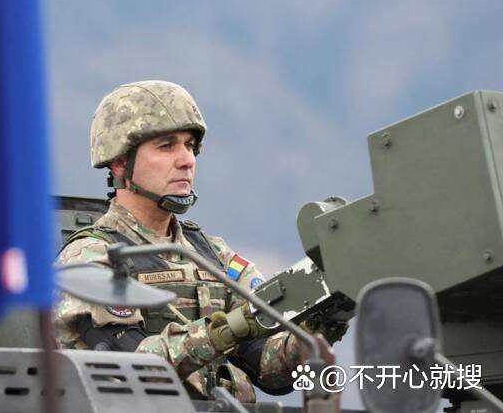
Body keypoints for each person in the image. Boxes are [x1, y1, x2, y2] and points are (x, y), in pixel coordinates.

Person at [54, 80, 339, 403]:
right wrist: (225, 331)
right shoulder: (91, 259)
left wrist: (324, 321)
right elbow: (134, 367)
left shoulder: (212, 254)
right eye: (166, 146)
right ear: (120, 162)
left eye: (189, 146)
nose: (186, 160)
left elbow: (268, 368)